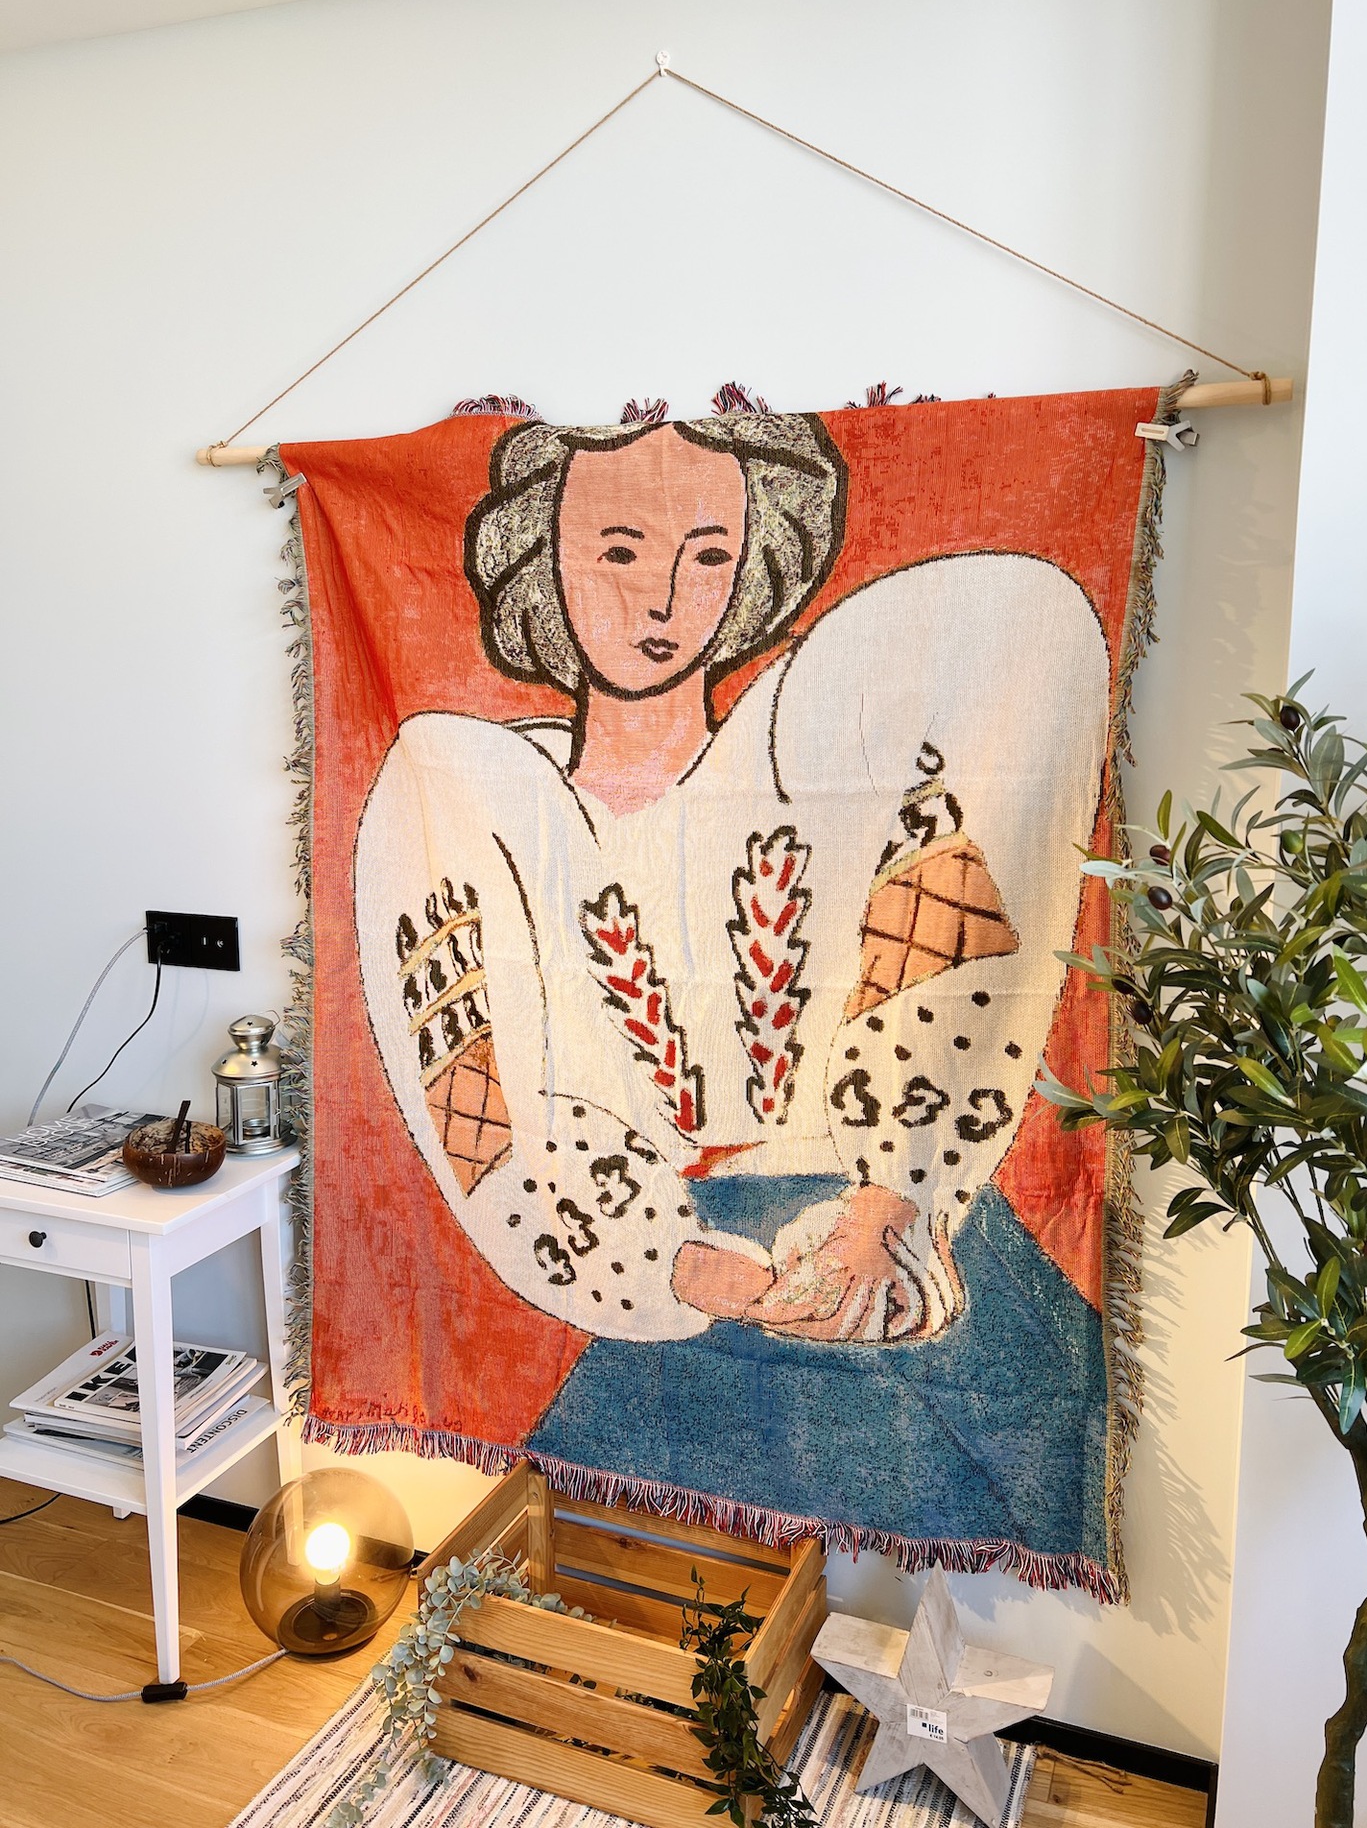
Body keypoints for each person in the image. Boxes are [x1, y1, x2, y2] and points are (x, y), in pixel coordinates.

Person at [355, 410, 1109, 1347]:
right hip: (627, 1290)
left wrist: (891, 1205)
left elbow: (1023, 620)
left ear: (755, 560)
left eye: (709, 555)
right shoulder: (477, 795)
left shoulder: (825, 734)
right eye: (620, 553)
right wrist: (687, 1267)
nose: (663, 600)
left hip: (887, 1245)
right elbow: (479, 1115)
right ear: (544, 558)